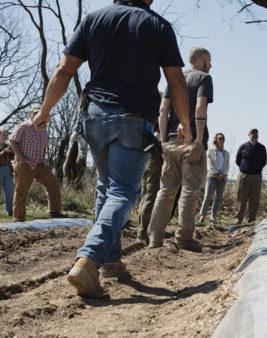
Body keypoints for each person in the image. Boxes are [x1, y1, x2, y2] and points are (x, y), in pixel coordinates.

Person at [34, 0, 192, 298]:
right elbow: (175, 79)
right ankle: (89, 260)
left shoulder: (94, 19)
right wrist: (184, 123)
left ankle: (110, 261)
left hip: (94, 116)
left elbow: (65, 68)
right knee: (123, 191)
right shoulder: (157, 25)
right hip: (132, 119)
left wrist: (45, 110)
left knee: (107, 188)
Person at [148, 47, 213, 249]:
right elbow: (200, 107)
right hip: (192, 140)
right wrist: (198, 139)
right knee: (190, 190)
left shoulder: (174, 79)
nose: (211, 65)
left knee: (165, 190)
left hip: (171, 141)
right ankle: (184, 238)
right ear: (202, 60)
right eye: (209, 60)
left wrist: (164, 141)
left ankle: (155, 238)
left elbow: (162, 110)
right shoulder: (203, 78)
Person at [9, 105, 65, 222]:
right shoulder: (23, 127)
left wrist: (43, 160)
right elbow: (13, 142)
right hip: (24, 163)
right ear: (31, 114)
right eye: (35, 113)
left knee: (53, 184)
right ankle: (18, 218)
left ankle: (55, 212)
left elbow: (43, 147)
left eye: (41, 113)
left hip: (39, 164)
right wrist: (22, 159)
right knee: (21, 191)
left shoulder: (44, 130)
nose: (38, 116)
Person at [136, 122, 162, 244]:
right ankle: (142, 233)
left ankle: (141, 231)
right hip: (154, 161)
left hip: (145, 160)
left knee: (144, 196)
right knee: (149, 197)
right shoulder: (158, 132)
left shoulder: (149, 128)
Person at [235, 129, 267, 224]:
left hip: (256, 176)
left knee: (254, 198)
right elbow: (238, 160)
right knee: (241, 197)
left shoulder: (262, 147)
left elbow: (264, 161)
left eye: (256, 133)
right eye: (253, 133)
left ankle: (251, 219)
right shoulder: (243, 146)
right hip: (244, 175)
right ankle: (238, 218)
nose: (255, 135)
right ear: (249, 135)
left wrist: (256, 169)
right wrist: (245, 168)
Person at [199, 132, 229, 223]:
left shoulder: (226, 153)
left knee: (218, 198)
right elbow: (210, 165)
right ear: (216, 139)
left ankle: (213, 216)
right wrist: (217, 174)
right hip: (212, 177)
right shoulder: (211, 151)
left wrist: (222, 174)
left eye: (223, 138)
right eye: (220, 138)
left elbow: (227, 165)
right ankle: (202, 215)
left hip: (222, 178)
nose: (222, 140)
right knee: (208, 196)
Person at [0, 128, 14, 217]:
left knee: (9, 191)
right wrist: (4, 152)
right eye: (4, 134)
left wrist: (12, 151)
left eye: (6, 135)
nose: (6, 136)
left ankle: (10, 211)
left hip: (8, 169)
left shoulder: (7, 145)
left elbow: (13, 158)